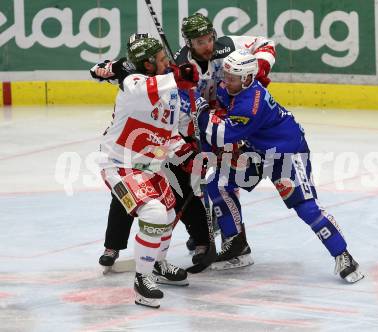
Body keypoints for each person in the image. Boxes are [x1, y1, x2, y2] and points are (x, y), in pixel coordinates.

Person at [92, 13, 277, 267]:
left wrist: (259, 68)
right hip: (167, 139)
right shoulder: (157, 73)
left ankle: (220, 239)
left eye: (208, 38)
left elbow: (265, 44)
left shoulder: (222, 48)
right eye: (199, 41)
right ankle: (122, 246)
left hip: (213, 125)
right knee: (181, 187)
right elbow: (128, 77)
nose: (207, 45)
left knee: (212, 182)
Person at [193, 49, 364, 283]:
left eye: (231, 78)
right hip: (256, 151)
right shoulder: (233, 87)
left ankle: (343, 255)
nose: (225, 82)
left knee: (306, 208)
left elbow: (221, 134)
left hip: (286, 154)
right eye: (226, 76)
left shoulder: (250, 105)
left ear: (246, 78)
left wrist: (199, 108)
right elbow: (221, 104)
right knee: (218, 182)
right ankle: (237, 246)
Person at [91, 33, 210, 272]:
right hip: (122, 161)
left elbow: (166, 130)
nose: (166, 62)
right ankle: (131, 264)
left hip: (152, 157)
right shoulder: (133, 81)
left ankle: (168, 258)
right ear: (147, 63)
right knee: (144, 208)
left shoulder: (167, 87)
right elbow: (134, 84)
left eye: (167, 58)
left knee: (172, 205)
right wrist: (176, 77)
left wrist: (187, 155)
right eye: (162, 59)